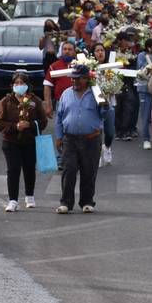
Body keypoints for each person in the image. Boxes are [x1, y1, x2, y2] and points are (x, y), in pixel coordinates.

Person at [54, 65, 107, 214]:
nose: (74, 81)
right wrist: (58, 137)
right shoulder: (66, 94)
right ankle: (66, 202)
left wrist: (105, 104)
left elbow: (105, 114)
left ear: (87, 79)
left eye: (78, 78)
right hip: (69, 139)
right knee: (68, 170)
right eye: (73, 78)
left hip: (91, 139)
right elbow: (59, 117)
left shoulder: (97, 94)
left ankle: (87, 202)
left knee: (88, 171)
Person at [0, 72, 48, 212]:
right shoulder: (6, 101)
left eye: (22, 83)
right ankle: (13, 200)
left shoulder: (34, 101)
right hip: (11, 142)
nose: (19, 86)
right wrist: (15, 127)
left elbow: (43, 121)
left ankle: (30, 196)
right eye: (16, 83)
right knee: (13, 170)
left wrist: (29, 125)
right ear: (12, 86)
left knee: (29, 169)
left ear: (27, 85)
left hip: (30, 141)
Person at [91, 43, 115, 166]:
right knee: (97, 131)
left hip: (109, 104)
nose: (100, 53)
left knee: (110, 132)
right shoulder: (90, 68)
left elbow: (117, 85)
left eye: (102, 50)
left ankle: (107, 147)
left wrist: (114, 88)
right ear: (93, 53)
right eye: (97, 50)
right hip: (94, 106)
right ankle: (97, 154)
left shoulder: (111, 67)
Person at [43, 40, 78, 119]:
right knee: (60, 129)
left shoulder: (81, 65)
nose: (67, 51)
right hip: (61, 103)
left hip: (79, 103)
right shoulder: (54, 66)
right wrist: (48, 105)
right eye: (64, 49)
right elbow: (47, 86)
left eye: (70, 49)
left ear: (74, 52)